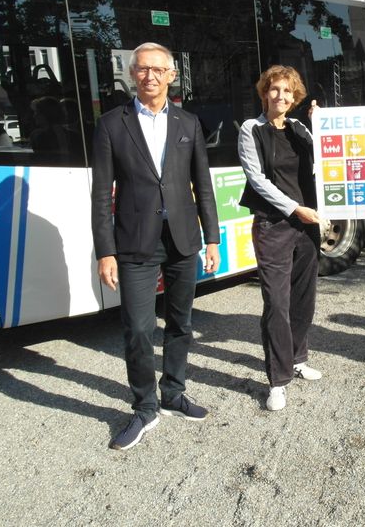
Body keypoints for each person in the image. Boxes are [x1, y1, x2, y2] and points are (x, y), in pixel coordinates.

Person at [91, 42, 220, 450]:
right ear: (132, 74)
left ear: (171, 75)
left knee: (182, 323)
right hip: (133, 244)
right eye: (142, 69)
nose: (150, 76)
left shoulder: (189, 123)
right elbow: (100, 194)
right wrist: (105, 252)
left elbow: (203, 184)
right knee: (139, 329)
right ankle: (145, 407)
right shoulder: (112, 124)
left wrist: (212, 237)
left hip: (183, 239)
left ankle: (174, 392)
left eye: (157, 69)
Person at [238, 65, 322, 412]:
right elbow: (256, 179)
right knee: (276, 303)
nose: (281, 97)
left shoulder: (301, 127)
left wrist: (322, 126)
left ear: (295, 96)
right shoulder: (250, 129)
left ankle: (298, 357)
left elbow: (326, 162)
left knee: (304, 298)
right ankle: (278, 380)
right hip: (274, 224)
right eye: (275, 90)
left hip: (307, 226)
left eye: (288, 91)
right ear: (264, 93)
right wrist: (294, 208)